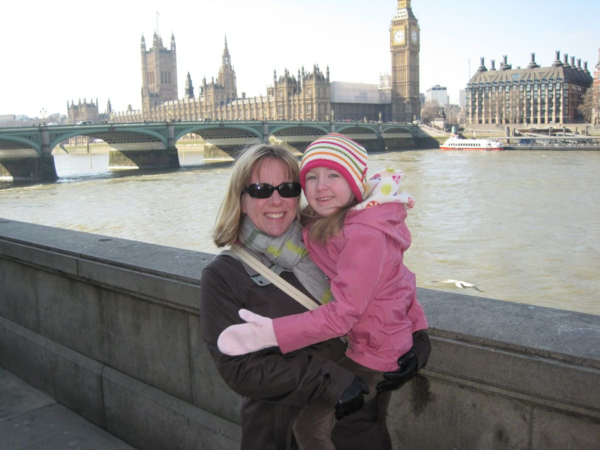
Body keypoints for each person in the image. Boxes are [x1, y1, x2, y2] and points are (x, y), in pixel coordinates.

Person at [200, 142, 431, 450]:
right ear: (241, 200)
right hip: (285, 433)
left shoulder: (328, 233)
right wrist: (329, 380)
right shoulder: (223, 275)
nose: (276, 199)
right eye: (259, 189)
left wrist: (417, 336)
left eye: (287, 187)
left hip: (358, 426)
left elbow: (392, 282)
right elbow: (238, 369)